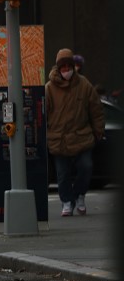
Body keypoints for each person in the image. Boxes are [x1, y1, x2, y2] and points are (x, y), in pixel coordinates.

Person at [45, 48, 104, 217]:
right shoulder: (49, 88)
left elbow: (96, 109)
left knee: (86, 167)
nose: (66, 71)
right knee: (62, 175)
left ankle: (79, 195)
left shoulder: (84, 85)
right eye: (62, 68)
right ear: (58, 68)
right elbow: (43, 112)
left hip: (81, 137)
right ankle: (66, 201)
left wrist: (98, 130)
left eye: (68, 67)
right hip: (59, 139)